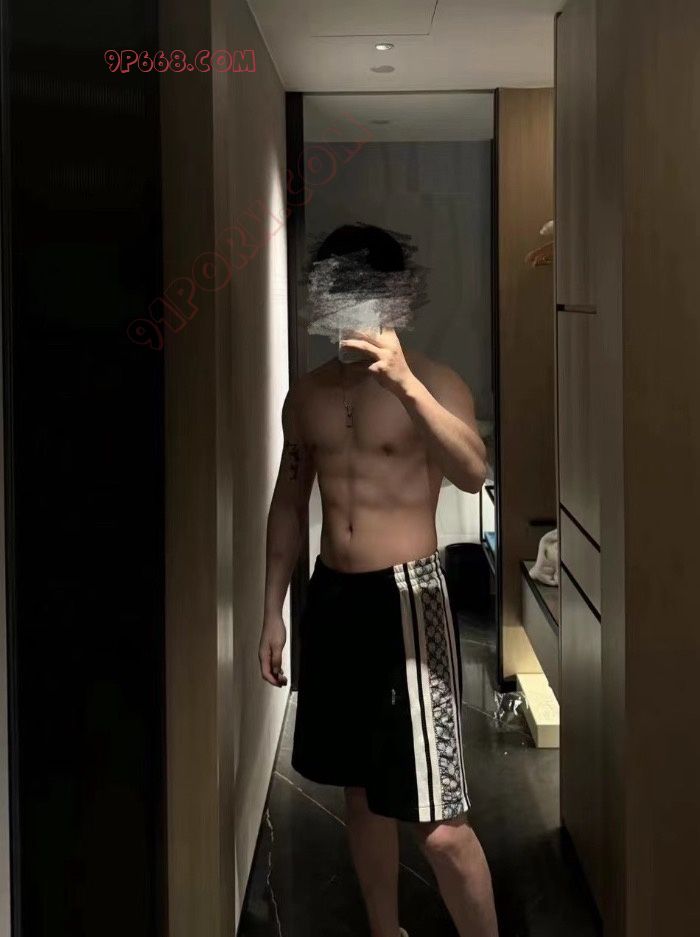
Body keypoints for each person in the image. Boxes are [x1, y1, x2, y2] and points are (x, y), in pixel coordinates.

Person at [258, 224, 499, 937]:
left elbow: (474, 472)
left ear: (395, 299)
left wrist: (405, 384)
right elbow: (288, 501)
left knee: (441, 826)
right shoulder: (306, 396)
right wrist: (272, 611)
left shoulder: (435, 381)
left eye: (365, 292)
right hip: (334, 599)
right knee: (362, 793)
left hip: (408, 601)